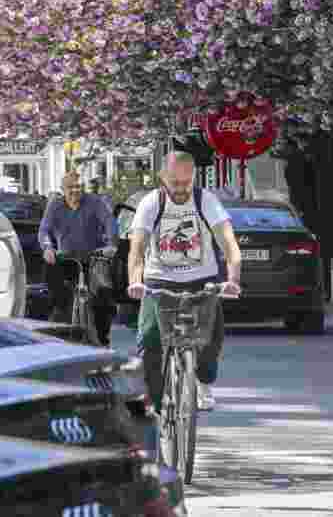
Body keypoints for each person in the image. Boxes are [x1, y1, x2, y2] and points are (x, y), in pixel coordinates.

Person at [126, 152, 242, 412]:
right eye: (175, 183)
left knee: (212, 337)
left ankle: (203, 382)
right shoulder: (151, 203)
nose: (181, 189)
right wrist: (135, 280)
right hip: (158, 281)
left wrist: (233, 277)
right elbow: (137, 248)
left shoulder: (206, 201)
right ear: (163, 177)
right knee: (149, 340)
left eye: (186, 183)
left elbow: (228, 242)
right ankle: (155, 404)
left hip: (202, 280)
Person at [38, 171, 118, 344]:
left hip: (94, 256)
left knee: (104, 295)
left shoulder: (95, 202)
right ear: (62, 189)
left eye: (78, 186)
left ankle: (103, 338)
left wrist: (112, 244)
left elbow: (109, 221)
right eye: (70, 187)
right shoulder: (55, 206)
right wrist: (47, 247)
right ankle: (59, 329)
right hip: (66, 258)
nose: (75, 190)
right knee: (56, 293)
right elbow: (44, 230)